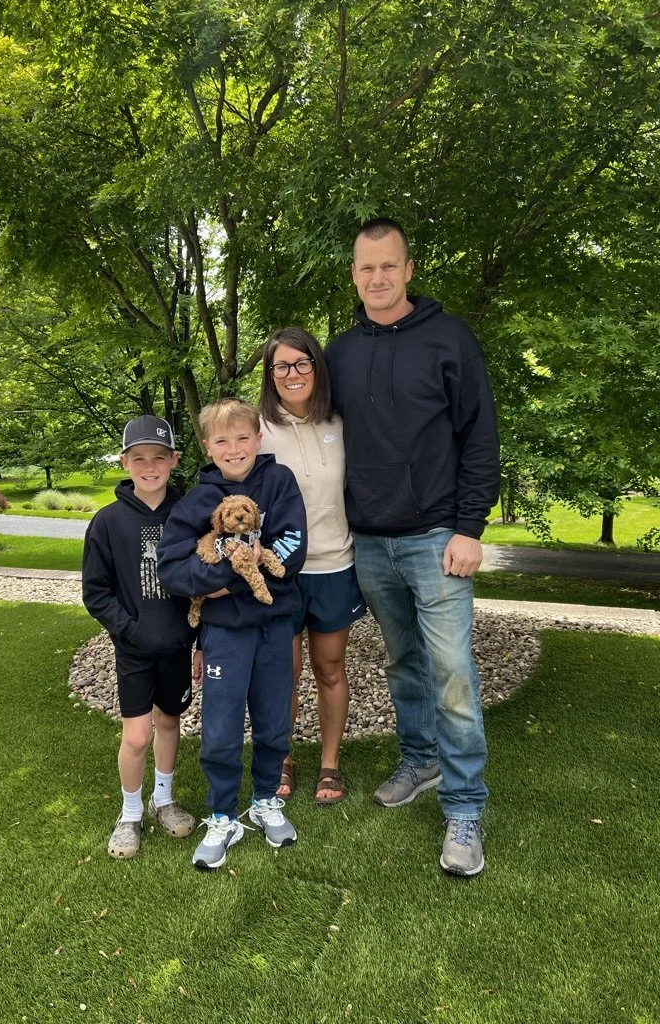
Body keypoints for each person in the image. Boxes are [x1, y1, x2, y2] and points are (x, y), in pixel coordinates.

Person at [324, 218, 500, 877]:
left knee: (453, 673)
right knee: (403, 665)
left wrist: (469, 527)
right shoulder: (339, 354)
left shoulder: (449, 340)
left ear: (409, 268)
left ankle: (464, 808)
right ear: (354, 274)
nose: (377, 278)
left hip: (436, 539)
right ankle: (421, 760)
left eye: (388, 266)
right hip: (369, 541)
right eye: (366, 268)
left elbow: (480, 437)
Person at [157, 398, 307, 871]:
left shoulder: (279, 482)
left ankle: (265, 801)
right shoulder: (197, 502)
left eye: (243, 437)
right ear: (208, 447)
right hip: (223, 634)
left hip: (274, 625)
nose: (235, 448)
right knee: (220, 730)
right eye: (222, 440)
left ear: (259, 440)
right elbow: (173, 568)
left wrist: (241, 577)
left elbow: (292, 547)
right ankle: (223, 815)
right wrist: (222, 582)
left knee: (273, 721)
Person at [82, 414, 201, 860]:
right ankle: (130, 812)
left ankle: (163, 799)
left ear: (173, 460)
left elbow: (203, 583)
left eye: (158, 457)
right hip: (134, 649)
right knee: (136, 737)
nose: (149, 466)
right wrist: (130, 631)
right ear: (125, 462)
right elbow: (96, 592)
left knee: (170, 723)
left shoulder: (189, 514)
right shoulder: (108, 522)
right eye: (138, 459)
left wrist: (200, 641)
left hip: (177, 645)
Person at [258, 326, 366, 805]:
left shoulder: (340, 423)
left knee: (329, 667)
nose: (292, 373)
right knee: (285, 669)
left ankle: (329, 764)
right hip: (280, 570)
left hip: (334, 565)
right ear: (270, 374)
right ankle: (281, 757)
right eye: (281, 365)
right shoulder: (257, 430)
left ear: (317, 368)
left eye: (302, 363)